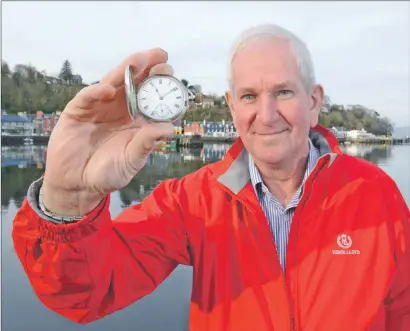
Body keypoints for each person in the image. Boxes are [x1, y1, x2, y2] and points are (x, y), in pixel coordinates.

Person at [12, 23, 409, 331]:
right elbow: (86, 292)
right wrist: (67, 199)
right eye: (250, 96)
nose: (266, 115)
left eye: (284, 92)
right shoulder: (193, 201)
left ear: (315, 102)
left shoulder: (376, 194)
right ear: (232, 107)